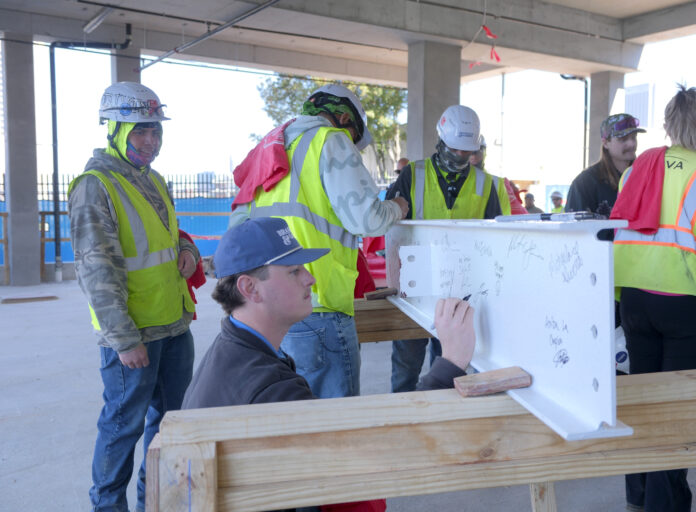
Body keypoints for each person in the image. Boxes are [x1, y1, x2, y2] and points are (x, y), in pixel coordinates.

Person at [182, 218, 476, 512]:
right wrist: (450, 363)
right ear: (250, 288)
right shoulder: (271, 389)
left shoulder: (234, 351)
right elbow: (380, 458)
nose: (309, 278)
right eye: (294, 271)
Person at [610, 86, 696, 512]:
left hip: (635, 300)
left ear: (668, 124)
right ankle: (664, 504)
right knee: (676, 415)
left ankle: (639, 495)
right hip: (687, 308)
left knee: (643, 405)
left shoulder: (637, 169)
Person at [230, 84, 409, 399]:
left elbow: (238, 228)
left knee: (297, 413)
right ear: (343, 117)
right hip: (319, 299)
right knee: (333, 422)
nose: (352, 144)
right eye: (354, 136)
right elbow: (367, 220)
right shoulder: (330, 139)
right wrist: (398, 207)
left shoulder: (271, 146)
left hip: (270, 307)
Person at [68, 82, 199, 512]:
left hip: (173, 326)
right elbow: (95, 268)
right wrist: (124, 339)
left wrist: (188, 252)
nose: (151, 141)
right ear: (115, 129)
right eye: (140, 131)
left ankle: (155, 504)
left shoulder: (154, 180)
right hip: (134, 336)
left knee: (170, 426)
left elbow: (170, 236)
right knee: (123, 428)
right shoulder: (95, 185)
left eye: (156, 131)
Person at [386, 105, 510, 392]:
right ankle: (404, 420)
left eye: (467, 152)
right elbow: (391, 228)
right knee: (406, 367)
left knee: (449, 367)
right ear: (440, 142)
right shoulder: (413, 174)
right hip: (414, 290)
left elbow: (496, 237)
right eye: (455, 150)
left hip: (460, 290)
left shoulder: (485, 183)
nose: (462, 156)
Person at [567, 113, 645, 216]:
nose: (631, 144)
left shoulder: (645, 176)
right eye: (623, 139)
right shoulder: (585, 183)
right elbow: (575, 227)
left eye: (634, 137)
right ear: (605, 143)